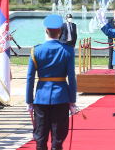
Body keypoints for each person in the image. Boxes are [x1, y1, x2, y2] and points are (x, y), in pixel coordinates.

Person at [26, 14, 77, 150]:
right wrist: (72, 101)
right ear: (60, 32)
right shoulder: (68, 50)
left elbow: (30, 78)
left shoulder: (35, 50)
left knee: (41, 138)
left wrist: (29, 101)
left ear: (46, 31)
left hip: (41, 98)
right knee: (58, 138)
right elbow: (71, 77)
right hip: (61, 97)